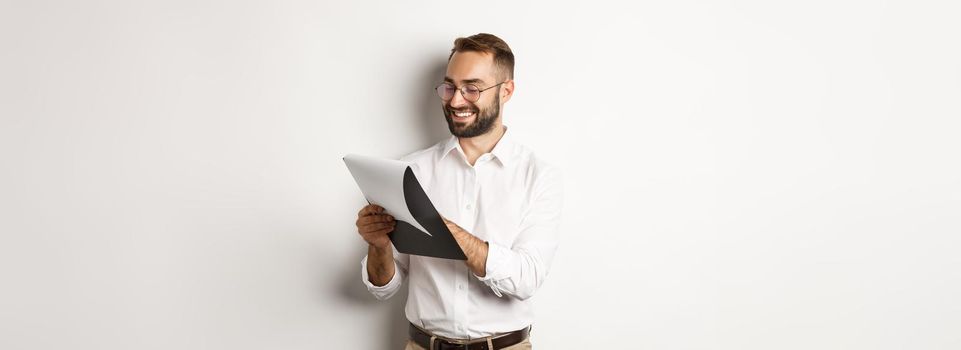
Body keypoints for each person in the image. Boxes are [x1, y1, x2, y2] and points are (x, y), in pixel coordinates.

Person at [355, 33, 562, 350]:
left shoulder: (538, 176)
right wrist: (379, 246)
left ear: (506, 91)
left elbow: (527, 278)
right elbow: (383, 288)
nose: (455, 100)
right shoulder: (412, 171)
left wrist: (452, 237)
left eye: (472, 88)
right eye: (449, 86)